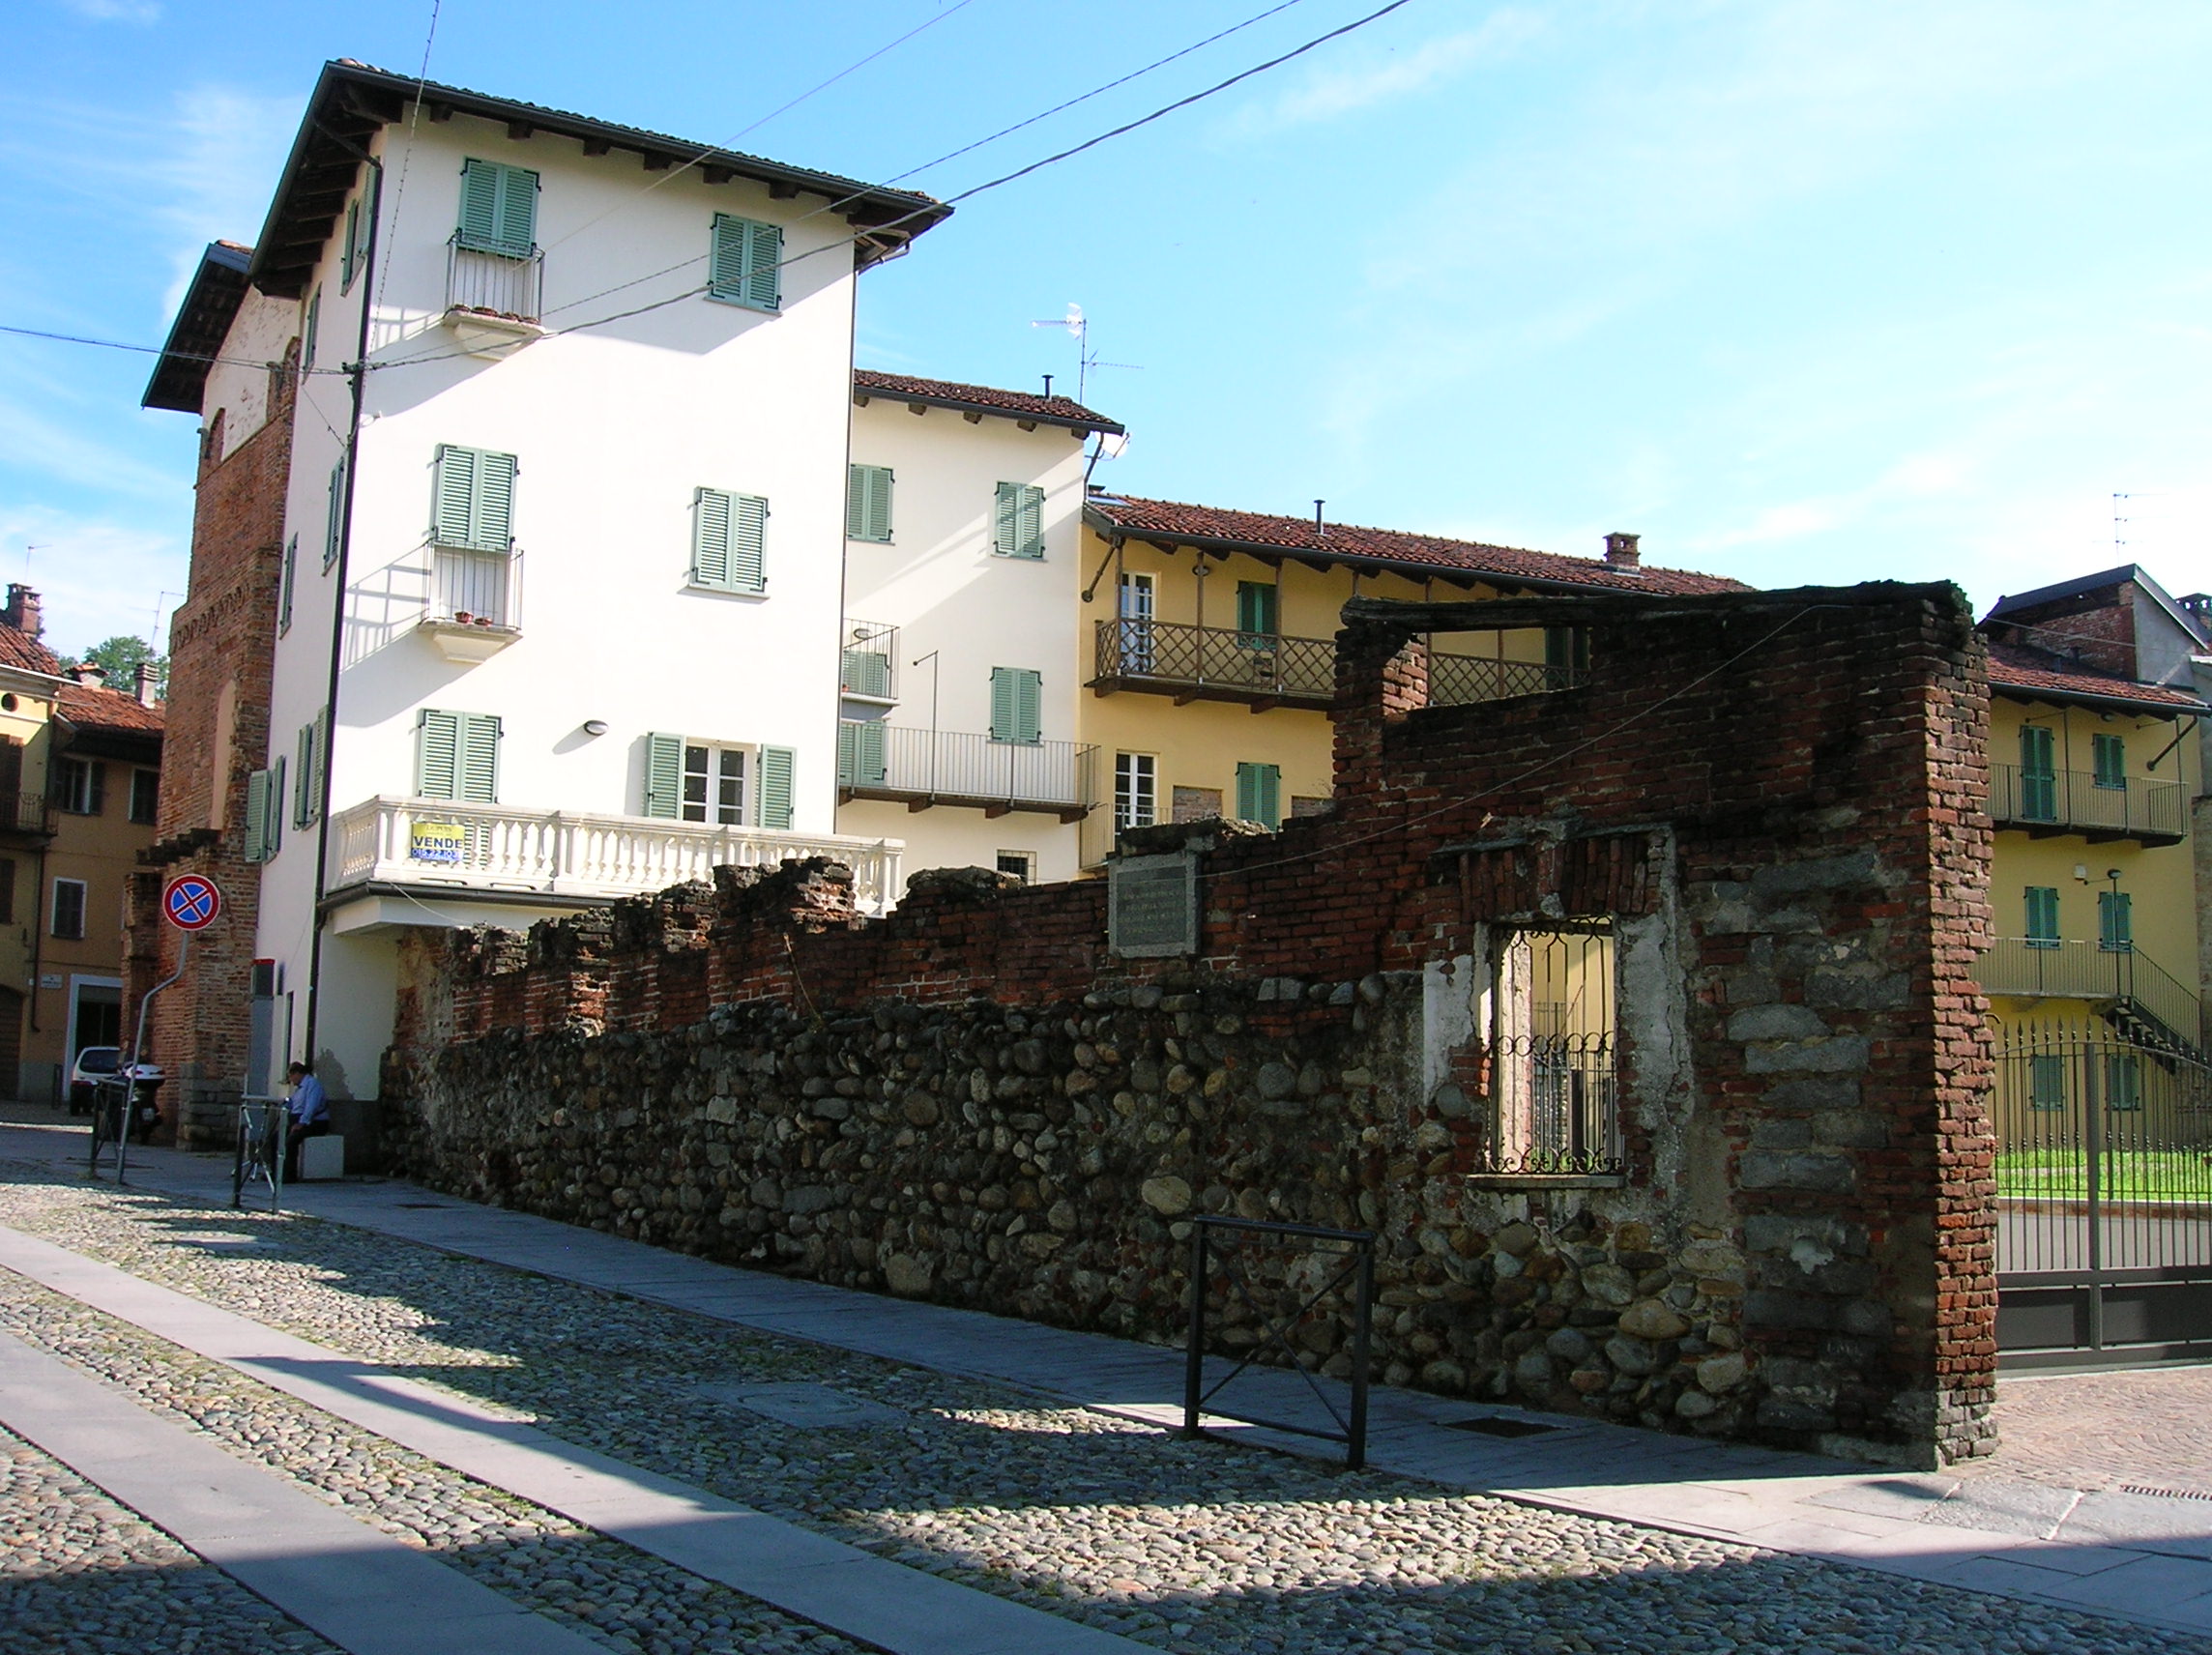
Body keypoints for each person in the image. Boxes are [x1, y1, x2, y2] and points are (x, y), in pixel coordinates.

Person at [282, 1060, 331, 1180]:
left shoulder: (312, 1085)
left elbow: (311, 1106)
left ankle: (289, 1175)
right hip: (299, 1120)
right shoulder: (299, 1089)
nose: (291, 1079)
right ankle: (275, 1172)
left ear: (298, 1073)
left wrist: (302, 1122)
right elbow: (293, 1102)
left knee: (291, 1141)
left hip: (315, 1123)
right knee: (276, 1138)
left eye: (291, 1076)